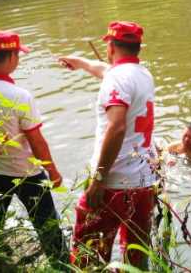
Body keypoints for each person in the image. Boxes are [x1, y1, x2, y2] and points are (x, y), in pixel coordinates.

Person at [0, 31, 67, 267]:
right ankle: (62, 266)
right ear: (9, 58)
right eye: (17, 54)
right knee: (47, 224)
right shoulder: (18, 95)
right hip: (26, 172)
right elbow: (37, 141)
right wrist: (53, 172)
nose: (18, 59)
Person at [59, 21, 157, 269]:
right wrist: (80, 63)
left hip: (114, 185)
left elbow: (116, 127)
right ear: (138, 49)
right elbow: (104, 69)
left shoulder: (116, 80)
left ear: (111, 46)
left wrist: (98, 180)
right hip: (143, 182)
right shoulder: (143, 75)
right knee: (135, 256)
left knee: (87, 255)